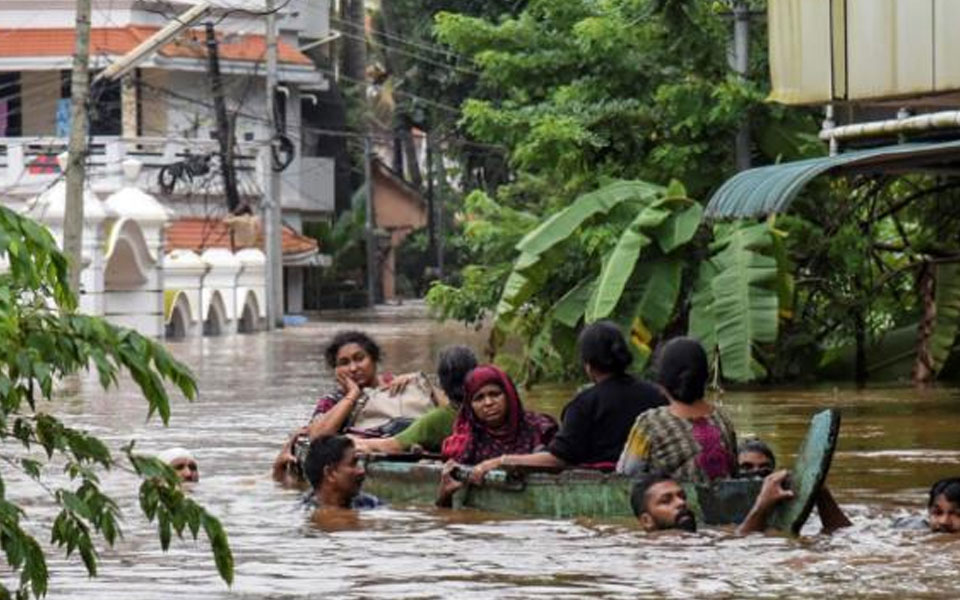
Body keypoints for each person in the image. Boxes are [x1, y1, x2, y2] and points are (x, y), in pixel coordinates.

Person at [461, 322, 665, 481]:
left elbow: (557, 459)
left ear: (588, 365)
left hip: (598, 483)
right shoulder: (656, 395)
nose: (488, 402)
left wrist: (500, 462)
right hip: (652, 479)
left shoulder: (583, 404)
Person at [617, 337, 737, 483]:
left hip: (673, 501)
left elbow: (626, 473)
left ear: (662, 381)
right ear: (704, 377)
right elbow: (734, 470)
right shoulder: (722, 418)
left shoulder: (649, 423)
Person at [354, 345, 478, 455]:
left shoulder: (437, 419)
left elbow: (392, 446)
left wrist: (353, 442)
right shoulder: (481, 408)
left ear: (442, 381)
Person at [441, 365, 558, 474]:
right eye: (479, 398)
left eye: (495, 394)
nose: (488, 403)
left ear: (509, 395)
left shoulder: (541, 429)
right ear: (470, 406)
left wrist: (502, 462)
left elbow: (560, 459)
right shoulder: (468, 442)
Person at [737, 437, 850, 532]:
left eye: (765, 469)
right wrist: (762, 505)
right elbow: (739, 544)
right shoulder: (721, 509)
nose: (757, 474)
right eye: (746, 468)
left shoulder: (788, 502)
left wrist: (820, 489)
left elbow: (842, 533)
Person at [629, 470, 794, 535]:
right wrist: (763, 504)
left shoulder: (707, 532)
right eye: (666, 501)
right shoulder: (660, 547)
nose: (680, 503)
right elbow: (741, 541)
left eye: (682, 496)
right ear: (646, 521)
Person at [302, 435, 380, 510]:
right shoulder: (305, 511)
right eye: (353, 463)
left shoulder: (371, 503)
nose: (361, 471)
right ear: (330, 473)